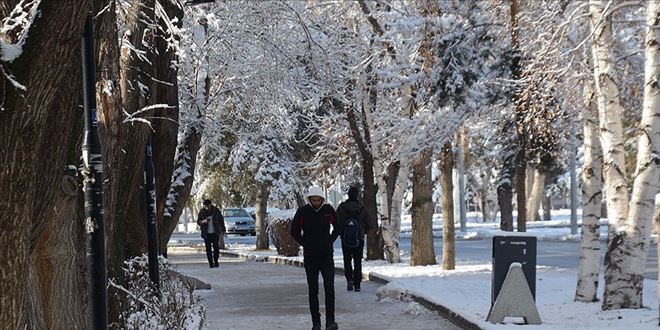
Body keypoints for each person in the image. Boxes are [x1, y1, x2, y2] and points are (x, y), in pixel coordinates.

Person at [290, 186, 340, 330]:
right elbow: (294, 231)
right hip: (311, 256)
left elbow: (337, 227)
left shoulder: (328, 210)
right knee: (313, 289)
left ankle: (330, 321)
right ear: (310, 200)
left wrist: (330, 240)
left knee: (329, 287)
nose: (316, 202)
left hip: (326, 255)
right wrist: (305, 243)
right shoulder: (303, 212)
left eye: (319, 200)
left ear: (322, 200)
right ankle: (316, 323)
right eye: (314, 200)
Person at [336, 186, 372, 292]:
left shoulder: (342, 207)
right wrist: (361, 233)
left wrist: (342, 233)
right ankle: (357, 284)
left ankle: (349, 281)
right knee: (357, 261)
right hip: (358, 239)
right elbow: (369, 224)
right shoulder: (362, 208)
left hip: (345, 239)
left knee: (347, 260)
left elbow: (336, 223)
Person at [197, 199, 226, 268]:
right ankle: (210, 262)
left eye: (208, 206)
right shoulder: (202, 212)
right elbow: (198, 222)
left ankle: (216, 261)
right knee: (208, 248)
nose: (207, 207)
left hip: (215, 232)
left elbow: (221, 220)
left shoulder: (216, 211)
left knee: (216, 247)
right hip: (206, 233)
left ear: (210, 205)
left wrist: (223, 229)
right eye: (205, 206)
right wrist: (204, 221)